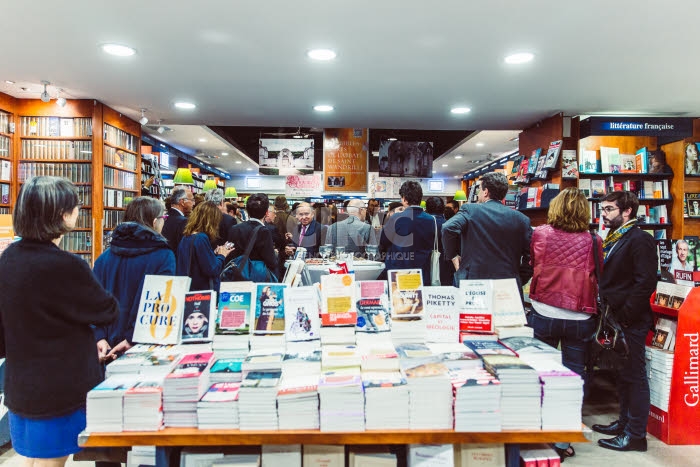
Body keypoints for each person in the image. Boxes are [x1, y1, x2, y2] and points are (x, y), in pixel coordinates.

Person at [0, 176, 118, 465]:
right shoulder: (65, 265)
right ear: (61, 214)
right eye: (74, 206)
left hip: (21, 382)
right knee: (52, 460)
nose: (78, 211)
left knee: (31, 457)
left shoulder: (7, 259)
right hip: (60, 386)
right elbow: (106, 309)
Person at [526, 188, 601, 461]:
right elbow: (598, 274)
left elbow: (533, 263)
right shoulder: (593, 240)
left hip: (544, 310)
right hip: (580, 316)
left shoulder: (540, 234)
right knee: (572, 379)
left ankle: (538, 433)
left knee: (540, 374)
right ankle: (561, 441)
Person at [592, 191, 657, 452]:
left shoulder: (640, 240)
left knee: (635, 376)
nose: (604, 215)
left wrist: (626, 315)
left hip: (630, 320)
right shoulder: (615, 238)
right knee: (623, 374)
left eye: (609, 209)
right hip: (616, 317)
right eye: (603, 209)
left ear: (627, 211)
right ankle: (624, 424)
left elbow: (645, 283)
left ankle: (636, 435)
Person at [93, 196, 176, 360]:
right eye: (164, 218)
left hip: (106, 346)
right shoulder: (163, 256)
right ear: (154, 222)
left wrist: (99, 336)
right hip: (145, 342)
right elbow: (160, 302)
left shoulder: (104, 258)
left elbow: (91, 302)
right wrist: (132, 338)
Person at [442, 172, 533, 295]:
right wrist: (519, 278)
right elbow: (531, 255)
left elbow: (448, 227)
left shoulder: (471, 210)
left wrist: (452, 256)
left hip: (474, 283)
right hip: (508, 284)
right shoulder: (522, 219)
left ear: (486, 192)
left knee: (473, 315)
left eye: (480, 189)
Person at [379, 180, 436, 284]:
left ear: (405, 199)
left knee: (399, 299)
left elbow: (383, 240)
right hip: (422, 271)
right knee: (417, 299)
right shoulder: (431, 220)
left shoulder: (396, 218)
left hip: (398, 270)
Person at [176, 201, 234, 292]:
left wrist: (213, 254)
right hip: (201, 291)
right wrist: (222, 255)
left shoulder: (187, 237)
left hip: (188, 288)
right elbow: (212, 269)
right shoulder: (201, 238)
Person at [228, 193, 279, 280]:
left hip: (236, 275)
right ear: (266, 213)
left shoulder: (235, 228)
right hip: (256, 277)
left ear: (247, 211)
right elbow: (271, 262)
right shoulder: (264, 231)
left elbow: (231, 254)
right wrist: (275, 254)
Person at [425, 196, 453, 286]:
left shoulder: (422, 224)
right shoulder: (450, 224)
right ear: (443, 208)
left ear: (427, 209)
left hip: (427, 266)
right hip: (447, 267)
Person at [162, 186, 194, 254]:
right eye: (192, 200)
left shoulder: (164, 217)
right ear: (182, 202)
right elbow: (184, 249)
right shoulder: (183, 221)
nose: (193, 203)